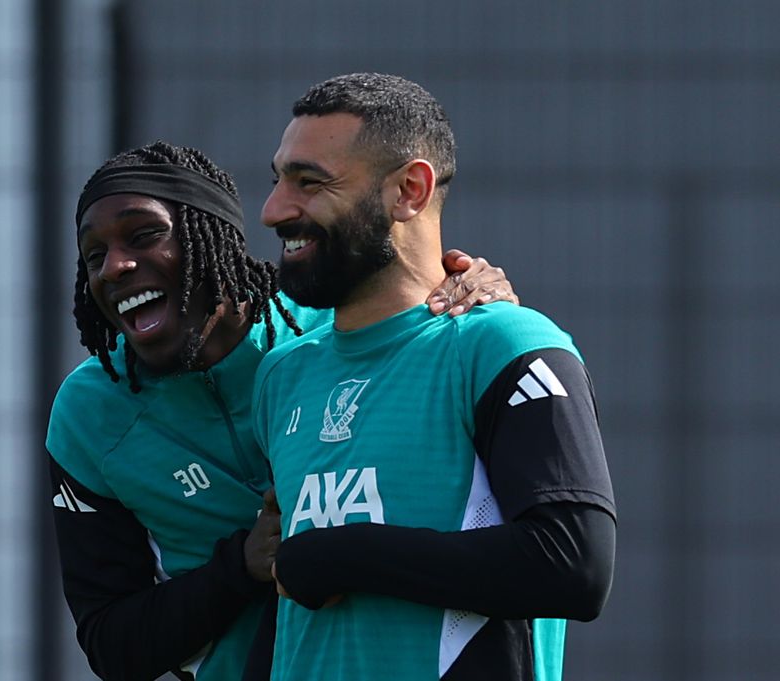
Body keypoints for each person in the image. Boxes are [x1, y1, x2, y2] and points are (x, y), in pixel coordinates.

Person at [46, 140, 519, 681]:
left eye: (144, 235)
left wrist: (474, 301)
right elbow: (113, 644)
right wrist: (241, 567)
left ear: (214, 237)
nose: (115, 266)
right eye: (93, 255)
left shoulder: (334, 329)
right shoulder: (89, 413)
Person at [252, 73, 615, 681]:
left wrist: (343, 555)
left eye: (309, 182)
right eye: (278, 179)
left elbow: (573, 564)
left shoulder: (505, 344)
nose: (273, 209)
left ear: (409, 192)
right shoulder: (284, 373)